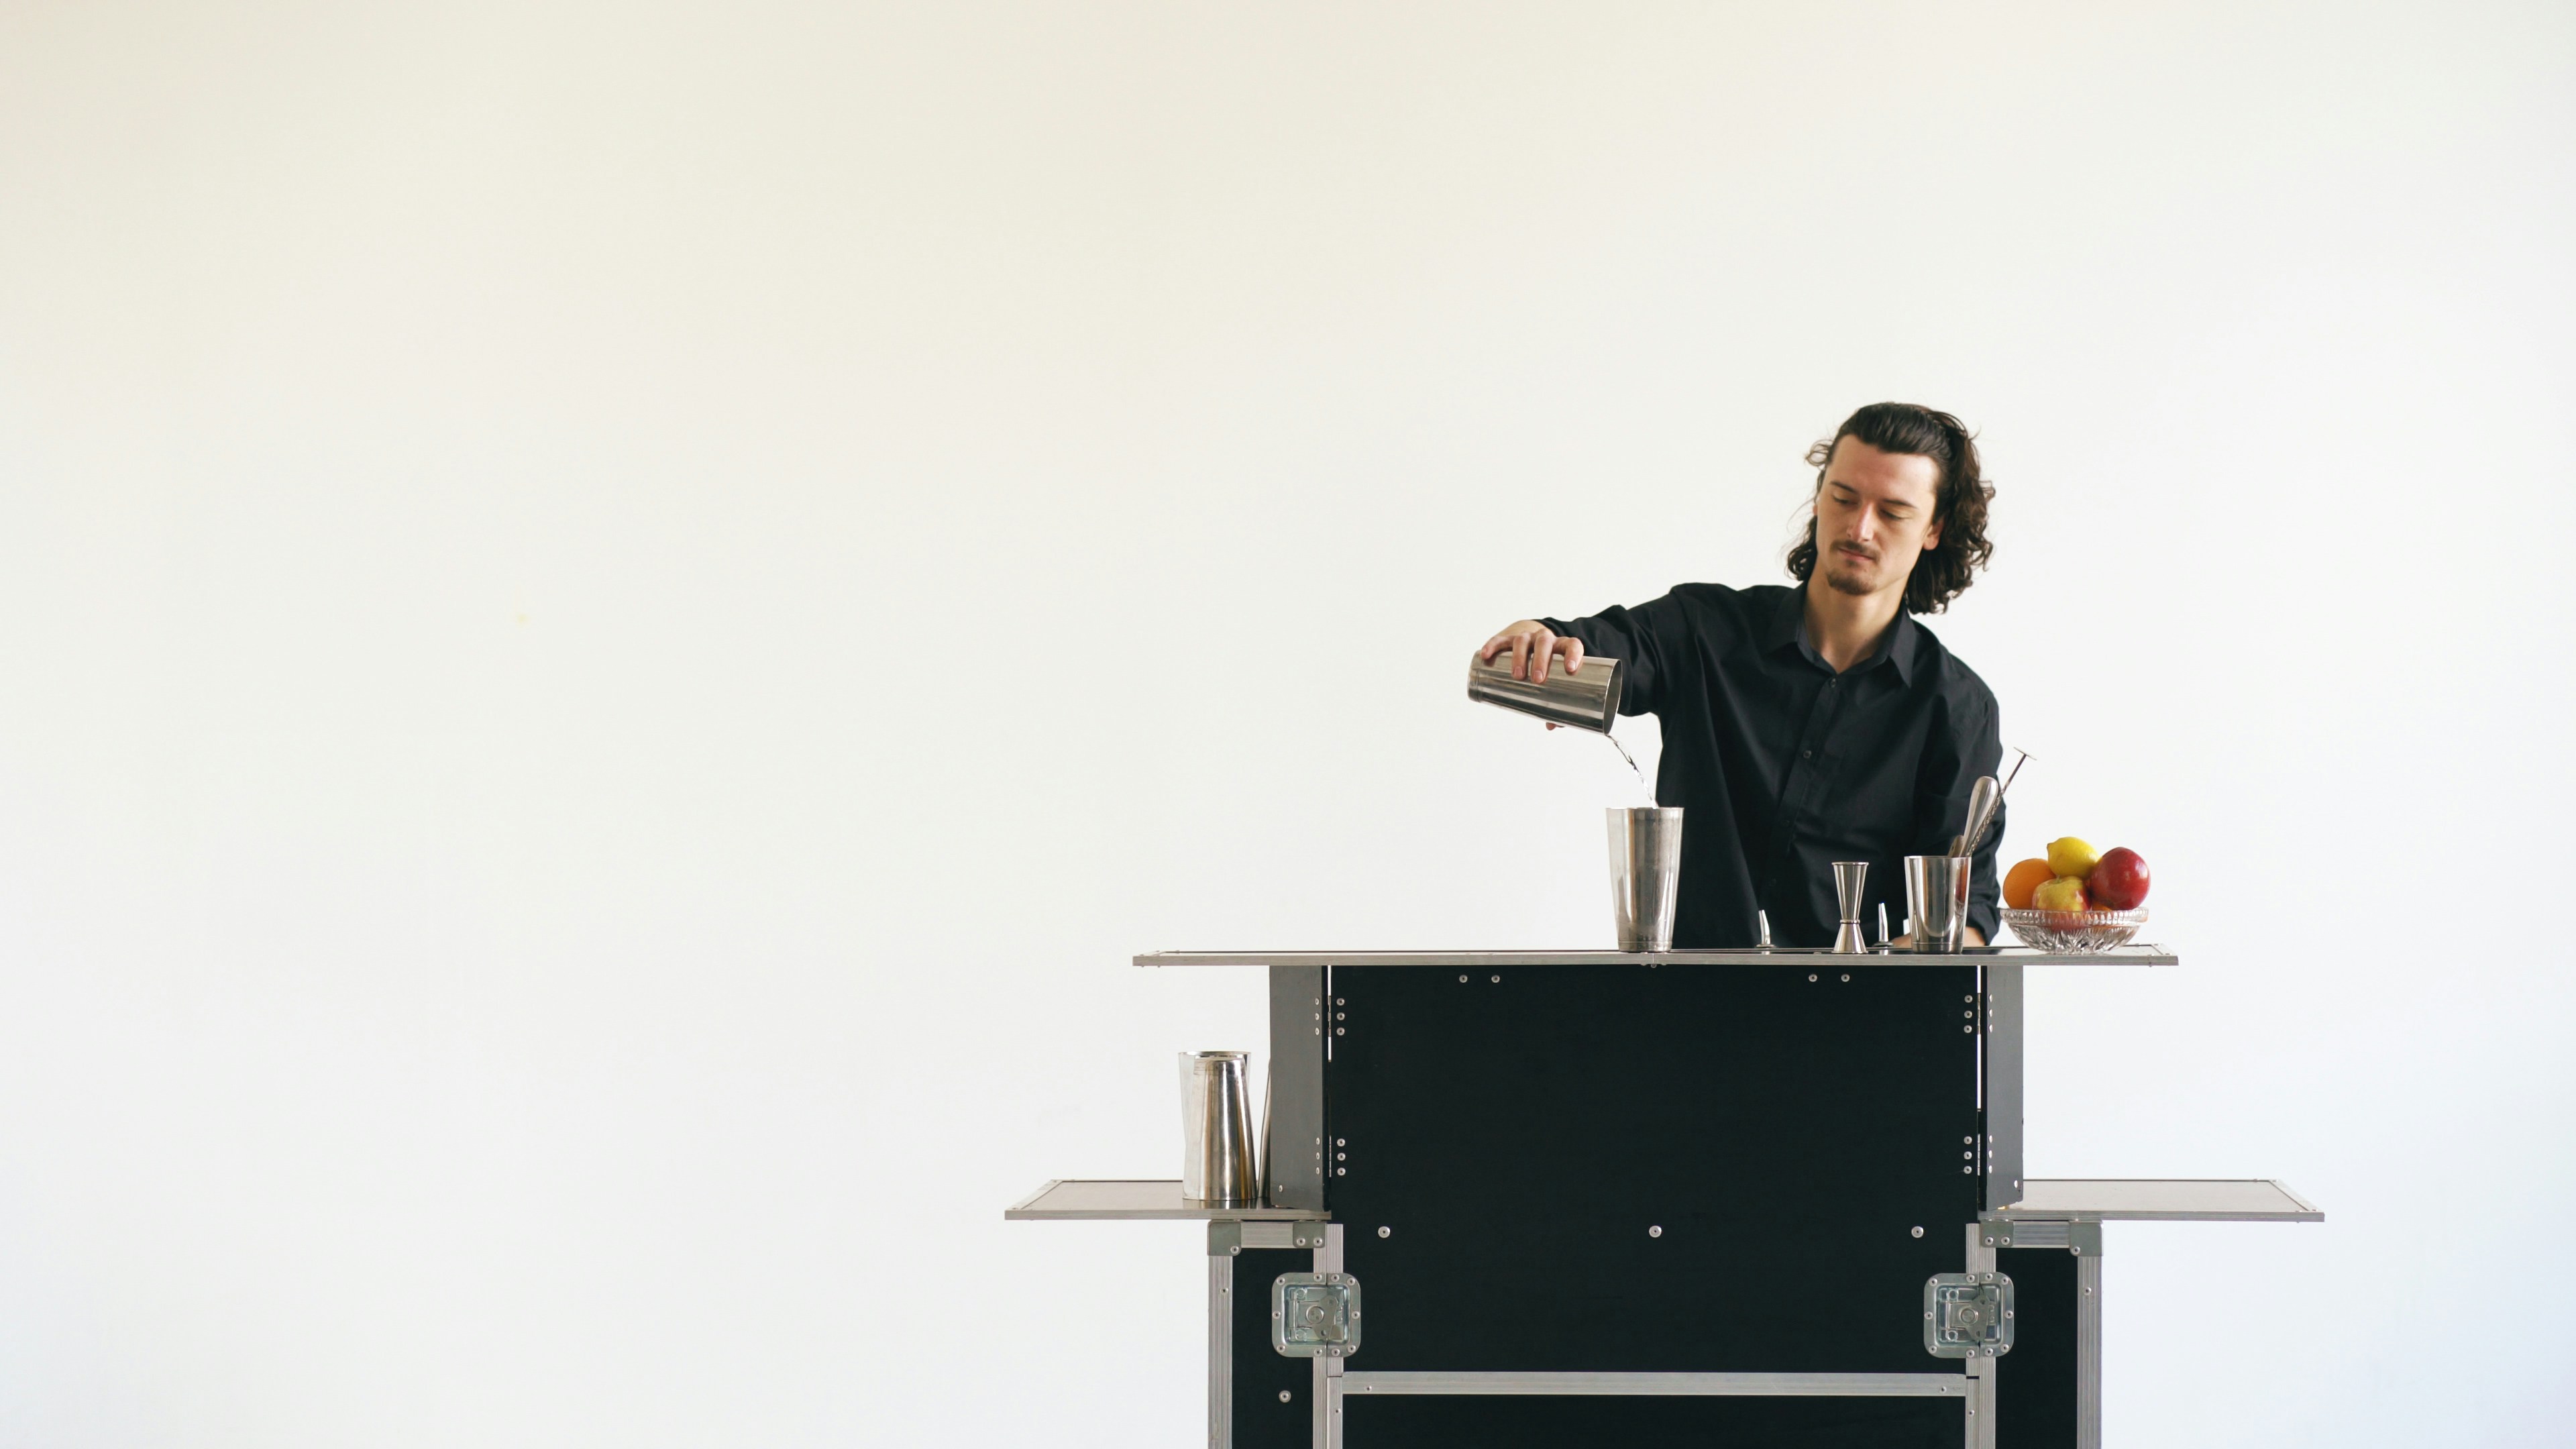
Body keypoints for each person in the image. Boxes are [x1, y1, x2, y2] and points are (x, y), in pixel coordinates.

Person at [1478, 402, 2005, 949]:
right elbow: (1599, 646)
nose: (1859, 528)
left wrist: (1881, 972)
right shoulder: (1703, 630)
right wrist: (1541, 637)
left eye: (1893, 513)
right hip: (1683, 991)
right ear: (1819, 497)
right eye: (1843, 498)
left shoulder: (1957, 707)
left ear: (1934, 529)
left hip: (1858, 996)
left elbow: (1965, 913)